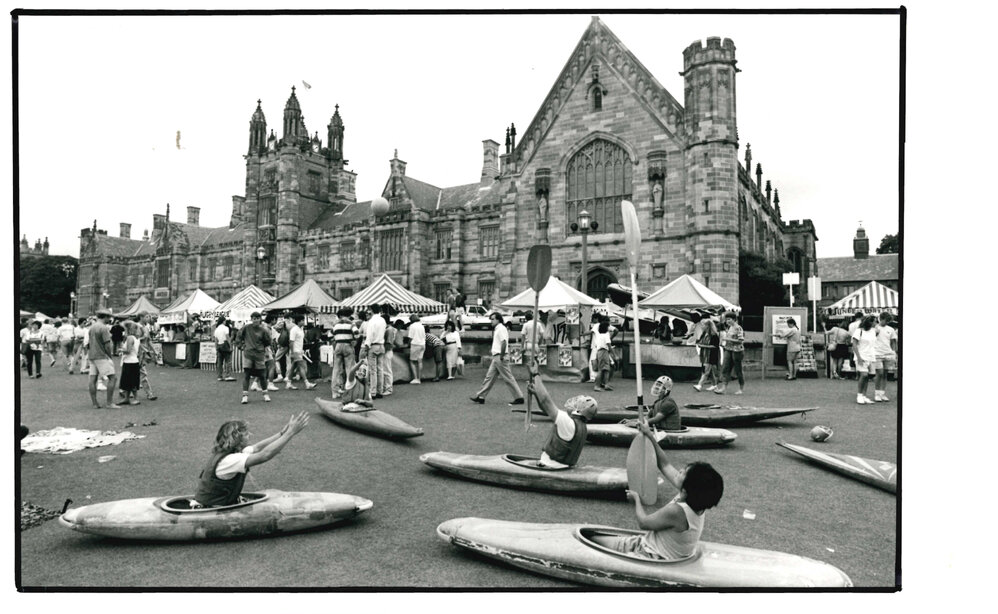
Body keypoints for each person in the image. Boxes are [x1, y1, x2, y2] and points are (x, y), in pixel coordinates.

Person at [594, 422, 724, 561]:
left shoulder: (677, 511)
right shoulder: (696, 499)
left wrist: (636, 500)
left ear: (686, 490)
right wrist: (649, 435)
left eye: (683, 473)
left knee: (593, 544)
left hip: (651, 554)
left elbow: (644, 523)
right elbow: (664, 464)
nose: (679, 471)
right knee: (595, 538)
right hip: (649, 545)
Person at [191, 411, 310, 508]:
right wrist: (291, 433)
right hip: (212, 508)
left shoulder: (231, 452)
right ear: (237, 438)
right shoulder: (231, 460)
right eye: (246, 434)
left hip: (216, 501)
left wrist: (282, 433)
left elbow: (258, 447)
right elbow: (264, 455)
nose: (250, 435)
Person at [526, 359, 598, 468]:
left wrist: (536, 373)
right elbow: (546, 409)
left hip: (549, 466)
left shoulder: (568, 423)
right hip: (563, 466)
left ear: (580, 410)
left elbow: (546, 401)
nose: (574, 403)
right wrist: (536, 393)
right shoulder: (580, 426)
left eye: (577, 404)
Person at [470, 313, 524, 405]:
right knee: (489, 377)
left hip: (499, 356)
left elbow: (504, 343)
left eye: (493, 319)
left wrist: (502, 356)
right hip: (497, 356)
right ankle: (481, 396)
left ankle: (519, 397)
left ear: (498, 319)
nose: (491, 321)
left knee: (507, 377)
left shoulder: (501, 329)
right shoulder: (499, 329)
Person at [237, 312, 273, 404]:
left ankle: (265, 394)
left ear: (260, 319)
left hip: (259, 355)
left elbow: (268, 341)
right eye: (253, 318)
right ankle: (245, 396)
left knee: (262, 374)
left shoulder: (263, 330)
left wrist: (262, 348)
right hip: (248, 354)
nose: (255, 320)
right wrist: (240, 346)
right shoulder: (246, 328)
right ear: (251, 319)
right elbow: (238, 336)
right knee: (247, 374)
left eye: (257, 318)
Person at [87, 310, 120, 409]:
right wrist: (110, 356)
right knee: (113, 378)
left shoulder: (91, 327)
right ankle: (109, 403)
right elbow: (107, 345)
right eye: (108, 317)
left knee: (93, 379)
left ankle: (94, 403)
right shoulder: (103, 328)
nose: (110, 319)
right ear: (105, 317)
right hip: (101, 356)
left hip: (92, 355)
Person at [714, 312, 744, 395]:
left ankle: (741, 388)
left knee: (738, 370)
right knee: (725, 368)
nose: (727, 321)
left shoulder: (738, 328)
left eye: (729, 319)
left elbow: (740, 340)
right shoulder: (729, 327)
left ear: (734, 319)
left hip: (737, 350)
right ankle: (723, 387)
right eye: (726, 319)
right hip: (728, 349)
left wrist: (727, 339)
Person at [285, 314, 317, 390]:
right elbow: (291, 342)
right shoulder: (294, 330)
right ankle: (307, 383)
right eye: (302, 320)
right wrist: (293, 352)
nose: (304, 322)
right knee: (301, 366)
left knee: (293, 367)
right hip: (295, 351)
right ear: (298, 321)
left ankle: (288, 383)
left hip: (299, 351)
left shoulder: (301, 329)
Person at [851, 315, 878, 405]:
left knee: (868, 377)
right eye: (874, 321)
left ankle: (864, 396)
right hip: (861, 356)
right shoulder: (859, 331)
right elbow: (854, 345)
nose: (876, 323)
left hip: (871, 357)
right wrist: (858, 357)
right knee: (864, 375)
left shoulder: (873, 331)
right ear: (869, 322)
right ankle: (859, 395)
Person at [872, 312, 898, 402]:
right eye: (885, 320)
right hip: (877, 353)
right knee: (879, 373)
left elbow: (893, 341)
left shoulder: (891, 329)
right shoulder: (875, 328)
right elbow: (870, 339)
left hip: (887, 353)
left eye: (888, 321)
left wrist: (894, 351)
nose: (886, 322)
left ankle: (882, 393)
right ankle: (877, 393)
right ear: (881, 319)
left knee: (885, 374)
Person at [363, 303, 387, 398]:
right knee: (380, 369)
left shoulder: (371, 321)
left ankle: (373, 392)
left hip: (373, 346)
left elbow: (369, 336)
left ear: (372, 310)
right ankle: (380, 391)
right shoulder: (383, 320)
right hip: (381, 345)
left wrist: (366, 347)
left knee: (373, 370)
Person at [330, 308, 356, 395]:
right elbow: (357, 333)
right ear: (349, 315)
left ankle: (335, 391)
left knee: (336, 369)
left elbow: (330, 335)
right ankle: (350, 389)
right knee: (350, 368)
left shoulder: (335, 325)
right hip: (348, 346)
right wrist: (354, 339)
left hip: (337, 346)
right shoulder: (351, 323)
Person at [692, 317, 720, 392]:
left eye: (703, 325)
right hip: (704, 354)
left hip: (711, 355)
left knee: (706, 371)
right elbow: (700, 341)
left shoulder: (714, 335)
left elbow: (715, 346)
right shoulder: (704, 333)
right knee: (710, 371)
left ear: (708, 326)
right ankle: (715, 385)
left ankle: (699, 385)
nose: (702, 326)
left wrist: (703, 346)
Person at [118, 321, 142, 405]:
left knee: (130, 380)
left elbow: (128, 350)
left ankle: (135, 398)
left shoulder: (130, 338)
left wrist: (121, 350)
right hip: (133, 361)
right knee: (128, 381)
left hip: (129, 362)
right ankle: (127, 398)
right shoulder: (136, 338)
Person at [136, 313, 158, 400]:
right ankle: (149, 393)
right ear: (141, 317)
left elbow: (148, 340)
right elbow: (134, 339)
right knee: (142, 373)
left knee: (138, 373)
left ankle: (126, 391)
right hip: (138, 353)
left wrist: (154, 350)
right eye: (147, 316)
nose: (149, 318)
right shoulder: (137, 327)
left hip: (143, 353)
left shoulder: (146, 327)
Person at [592, 319, 615, 392]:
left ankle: (606, 384)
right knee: (602, 369)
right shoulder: (606, 335)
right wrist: (614, 354)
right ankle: (597, 386)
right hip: (604, 352)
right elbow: (609, 345)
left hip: (600, 352)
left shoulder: (599, 336)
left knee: (606, 369)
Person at [380, 313, 398, 395]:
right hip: (387, 350)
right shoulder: (390, 329)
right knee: (385, 369)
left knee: (386, 370)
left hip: (387, 351)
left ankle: (388, 388)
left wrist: (384, 350)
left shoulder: (389, 330)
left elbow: (389, 342)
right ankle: (386, 387)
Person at [214, 316, 235, 382]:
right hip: (225, 345)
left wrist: (216, 347)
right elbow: (227, 337)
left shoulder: (216, 329)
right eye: (225, 321)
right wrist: (231, 346)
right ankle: (227, 375)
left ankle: (219, 376)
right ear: (223, 321)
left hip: (219, 345)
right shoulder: (226, 328)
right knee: (228, 361)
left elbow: (216, 340)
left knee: (220, 362)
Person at [407, 314, 426, 385]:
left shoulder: (412, 326)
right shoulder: (421, 326)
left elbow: (410, 337)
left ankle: (415, 378)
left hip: (415, 344)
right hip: (422, 344)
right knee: (419, 361)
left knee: (412, 361)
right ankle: (419, 378)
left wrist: (408, 344)